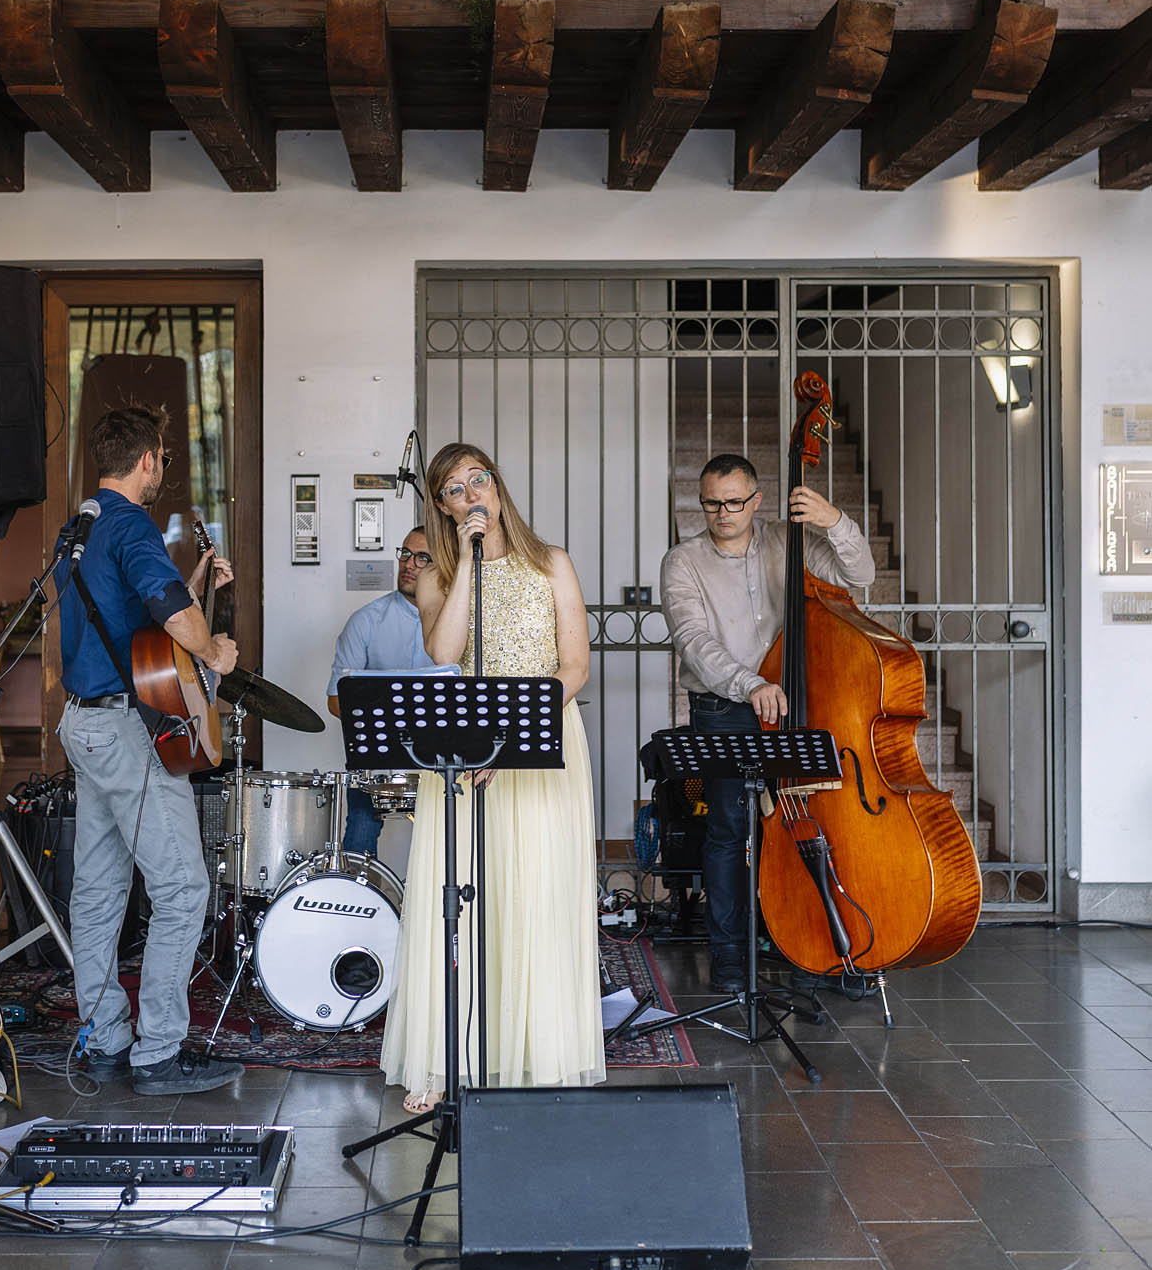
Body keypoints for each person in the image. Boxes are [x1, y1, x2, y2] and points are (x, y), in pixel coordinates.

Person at [380, 443, 605, 1113]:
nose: (471, 492)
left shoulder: (553, 563)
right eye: (455, 489)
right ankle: (449, 1059)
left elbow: (575, 667)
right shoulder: (437, 577)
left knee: (533, 894)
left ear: (498, 487)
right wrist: (468, 566)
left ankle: (532, 1054)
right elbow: (443, 654)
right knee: (458, 900)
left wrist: (514, 742)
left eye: (479, 479)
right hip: (461, 750)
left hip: (537, 744)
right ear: (443, 508)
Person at [56, 402, 244, 1096]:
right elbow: (172, 625)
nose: (162, 467)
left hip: (83, 725)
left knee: (100, 889)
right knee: (183, 886)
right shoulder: (134, 523)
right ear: (146, 461)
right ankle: (159, 1052)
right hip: (124, 734)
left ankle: (104, 1036)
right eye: (162, 457)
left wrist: (193, 588)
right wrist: (213, 646)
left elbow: (127, 620)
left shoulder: (80, 529)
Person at [659, 452, 876, 991]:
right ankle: (731, 956)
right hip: (725, 708)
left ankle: (812, 943)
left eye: (734, 502)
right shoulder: (682, 562)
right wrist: (750, 684)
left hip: (797, 703)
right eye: (712, 504)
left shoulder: (789, 540)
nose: (723, 513)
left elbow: (862, 574)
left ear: (756, 500)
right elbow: (693, 641)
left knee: (810, 826)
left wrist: (835, 522)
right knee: (730, 832)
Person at [326, 525, 446, 855]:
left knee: (455, 830)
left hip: (440, 753)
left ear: (442, 565)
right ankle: (357, 899)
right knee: (361, 826)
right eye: (405, 553)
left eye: (422, 558)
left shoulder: (456, 620)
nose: (408, 563)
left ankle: (443, 903)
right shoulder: (365, 621)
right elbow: (336, 701)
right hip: (377, 754)